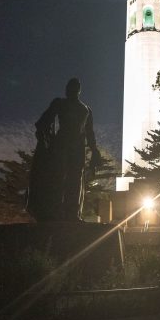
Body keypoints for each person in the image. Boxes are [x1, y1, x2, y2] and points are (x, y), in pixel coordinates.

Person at [31, 78, 101, 221]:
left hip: (76, 148)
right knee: (58, 178)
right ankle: (55, 211)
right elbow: (44, 120)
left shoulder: (86, 110)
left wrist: (94, 150)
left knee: (74, 180)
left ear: (78, 90)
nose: (70, 90)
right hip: (61, 145)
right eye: (69, 87)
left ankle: (72, 214)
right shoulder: (60, 103)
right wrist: (43, 135)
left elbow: (90, 133)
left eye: (73, 87)